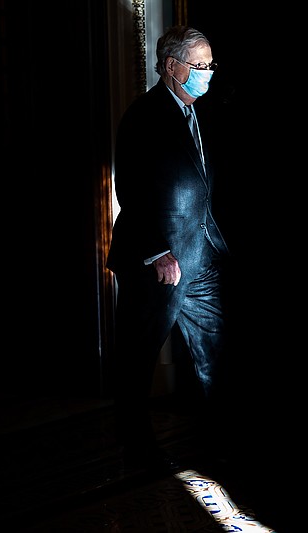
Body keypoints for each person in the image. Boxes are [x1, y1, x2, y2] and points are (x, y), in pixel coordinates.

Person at [106, 25, 232, 473]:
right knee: (139, 356)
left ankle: (221, 442)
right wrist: (157, 252)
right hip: (160, 262)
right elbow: (132, 189)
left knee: (215, 353)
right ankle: (136, 446)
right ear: (171, 67)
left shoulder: (204, 114)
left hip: (203, 255)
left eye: (210, 65)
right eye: (199, 66)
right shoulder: (145, 115)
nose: (207, 74)